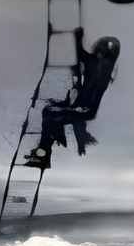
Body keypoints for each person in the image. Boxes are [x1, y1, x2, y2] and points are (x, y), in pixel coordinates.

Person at [24, 29, 121, 169]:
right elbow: (83, 55)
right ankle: (48, 146)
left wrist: (78, 37)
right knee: (49, 112)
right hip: (83, 108)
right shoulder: (102, 65)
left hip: (84, 110)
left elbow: (81, 54)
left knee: (51, 116)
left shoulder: (101, 65)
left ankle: (43, 154)